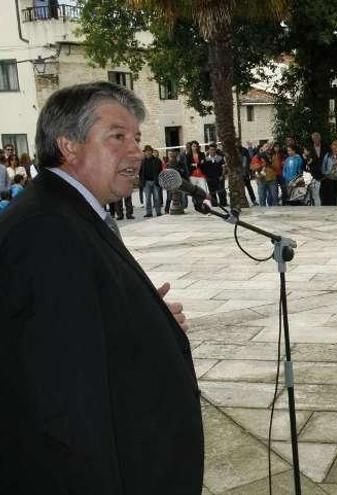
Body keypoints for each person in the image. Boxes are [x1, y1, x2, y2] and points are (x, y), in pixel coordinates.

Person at [0, 81, 202, 494]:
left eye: (138, 139)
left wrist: (150, 321)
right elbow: (67, 405)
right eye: (118, 137)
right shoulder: (46, 230)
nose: (135, 152)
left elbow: (87, 327)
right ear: (69, 146)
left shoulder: (70, 212)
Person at [139, 145, 163, 217]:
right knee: (148, 198)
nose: (148, 153)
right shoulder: (142, 161)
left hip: (155, 181)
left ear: (152, 152)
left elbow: (160, 171)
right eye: (146, 151)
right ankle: (149, 212)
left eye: (149, 151)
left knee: (156, 197)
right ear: (145, 152)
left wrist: (159, 180)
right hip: (146, 182)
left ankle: (158, 211)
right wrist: (141, 180)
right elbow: (140, 171)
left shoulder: (157, 160)